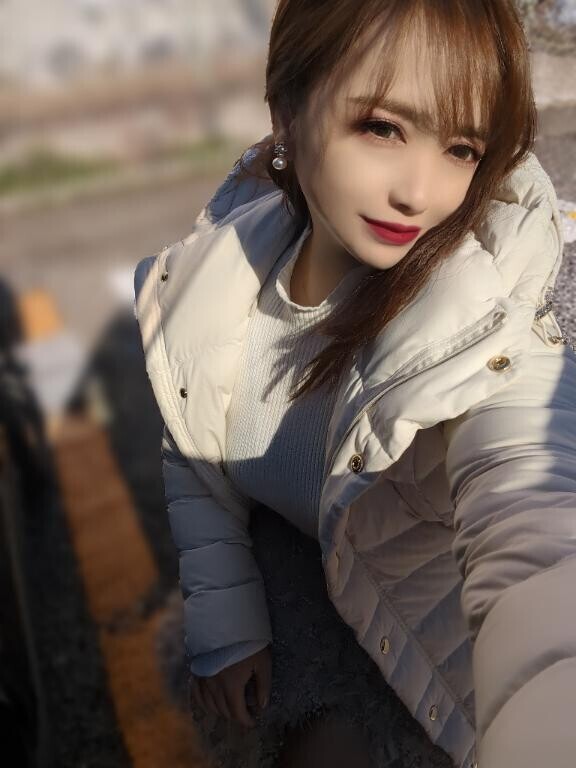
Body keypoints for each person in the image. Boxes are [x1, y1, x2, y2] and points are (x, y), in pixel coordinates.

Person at [133, 1, 576, 766]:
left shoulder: (484, 321)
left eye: (462, 148)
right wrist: (227, 621)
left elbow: (530, 520)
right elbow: (194, 454)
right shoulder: (218, 280)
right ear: (287, 110)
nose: (420, 192)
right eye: (382, 127)